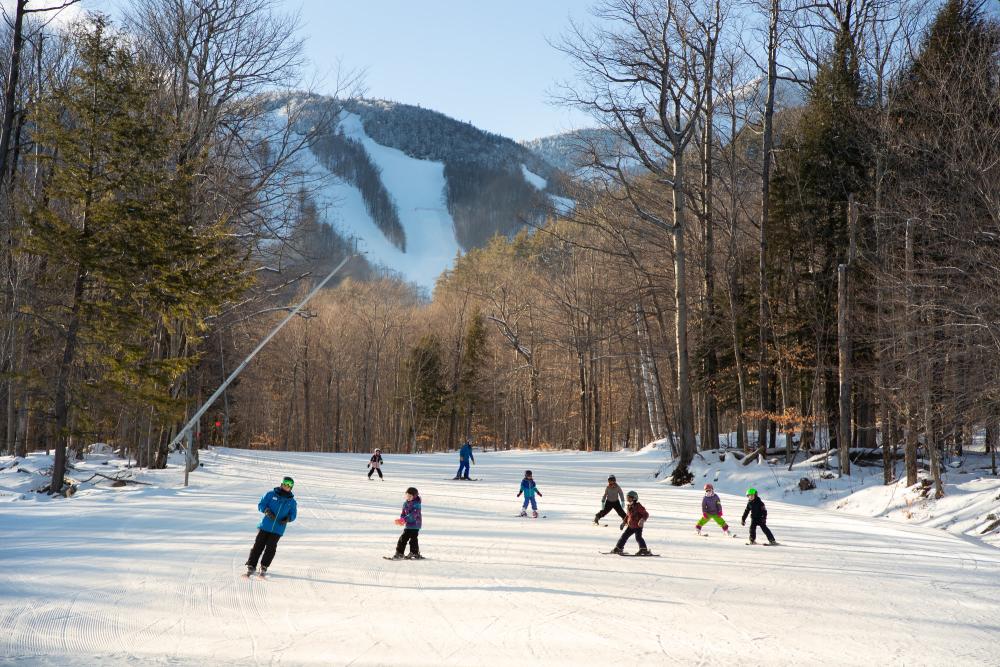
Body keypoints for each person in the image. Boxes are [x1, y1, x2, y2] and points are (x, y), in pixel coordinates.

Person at [245, 476, 297, 577]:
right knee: (258, 545)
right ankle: (251, 565)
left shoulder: (292, 502)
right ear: (281, 484)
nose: (287, 486)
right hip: (265, 526)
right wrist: (267, 511)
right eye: (285, 483)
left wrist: (288, 518)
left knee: (271, 548)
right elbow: (261, 504)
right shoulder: (270, 494)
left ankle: (264, 566)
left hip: (278, 528)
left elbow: (293, 515)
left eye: (289, 485)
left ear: (291, 487)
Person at [612, 490, 651, 555]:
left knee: (638, 537)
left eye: (629, 497)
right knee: (624, 537)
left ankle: (643, 549)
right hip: (630, 526)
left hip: (637, 526)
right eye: (627, 497)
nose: (627, 498)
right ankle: (618, 548)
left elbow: (646, 514)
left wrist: (642, 520)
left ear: (634, 498)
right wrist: (623, 523)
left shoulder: (638, 506)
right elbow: (628, 516)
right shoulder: (629, 506)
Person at [390, 486, 423, 559]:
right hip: (408, 525)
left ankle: (414, 552)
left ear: (414, 496)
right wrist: (401, 519)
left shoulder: (417, 504)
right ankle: (399, 552)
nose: (408, 497)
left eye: (410, 496)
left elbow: (414, 514)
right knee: (403, 538)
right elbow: (403, 513)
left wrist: (405, 519)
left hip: (415, 525)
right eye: (407, 495)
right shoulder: (405, 503)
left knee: (413, 539)